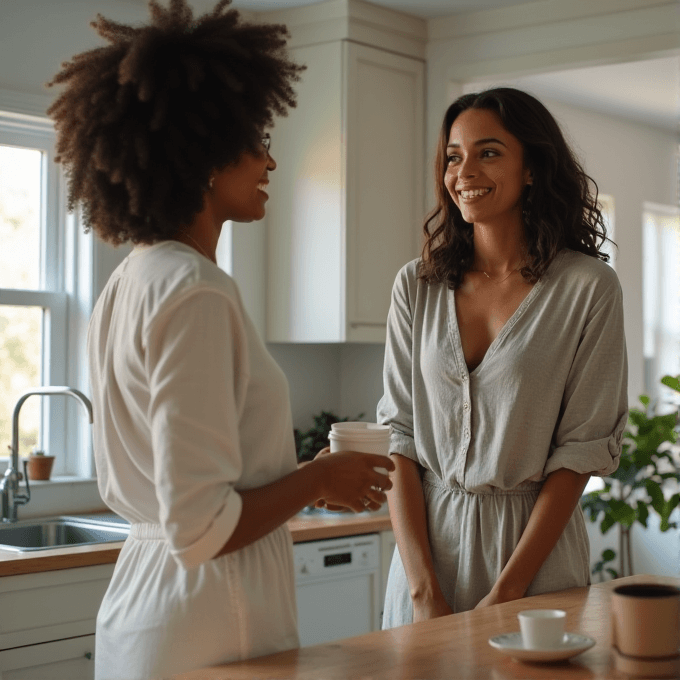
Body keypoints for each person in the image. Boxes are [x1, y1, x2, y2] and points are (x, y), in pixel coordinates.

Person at [46, 1, 394, 677]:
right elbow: (202, 526)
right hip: (207, 617)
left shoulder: (132, 280)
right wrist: (318, 477)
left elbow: (190, 495)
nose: (270, 159)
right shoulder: (195, 290)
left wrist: (306, 482)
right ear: (204, 154)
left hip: (152, 605)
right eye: (255, 140)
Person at [377, 87, 628, 625]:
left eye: (488, 152)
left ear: (532, 168)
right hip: (425, 562)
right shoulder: (415, 286)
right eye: (453, 156)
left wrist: (507, 594)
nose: (465, 171)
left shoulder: (588, 288)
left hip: (535, 567)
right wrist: (422, 592)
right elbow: (398, 436)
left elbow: (580, 453)